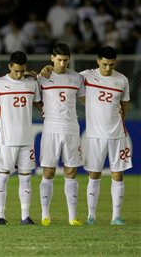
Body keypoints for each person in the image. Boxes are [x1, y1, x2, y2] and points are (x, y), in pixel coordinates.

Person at [0, 51, 42, 225]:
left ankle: (25, 216)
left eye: (22, 71)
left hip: (26, 139)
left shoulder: (31, 84)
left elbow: (38, 104)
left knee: (26, 178)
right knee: (3, 176)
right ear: (9, 66)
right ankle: (1, 216)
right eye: (16, 71)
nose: (19, 74)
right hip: (6, 140)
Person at [79, 46, 131, 225]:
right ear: (97, 61)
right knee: (94, 174)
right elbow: (70, 83)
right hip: (95, 135)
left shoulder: (122, 80)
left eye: (111, 65)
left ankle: (116, 217)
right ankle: (91, 216)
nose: (108, 68)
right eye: (104, 64)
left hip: (117, 134)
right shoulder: (86, 76)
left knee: (118, 175)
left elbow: (125, 104)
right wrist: (89, 104)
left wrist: (120, 117)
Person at [38, 43, 85, 226]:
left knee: (71, 171)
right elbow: (33, 95)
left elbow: (85, 100)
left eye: (66, 60)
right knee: (48, 171)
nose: (62, 63)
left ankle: (72, 217)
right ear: (52, 58)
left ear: (69, 60)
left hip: (72, 128)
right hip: (51, 129)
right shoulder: (43, 77)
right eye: (59, 60)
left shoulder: (77, 78)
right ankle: (45, 215)